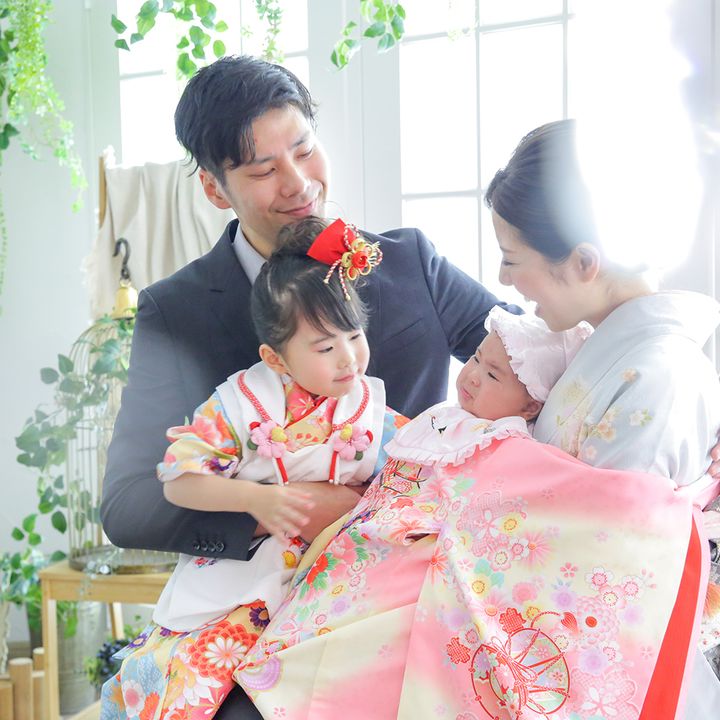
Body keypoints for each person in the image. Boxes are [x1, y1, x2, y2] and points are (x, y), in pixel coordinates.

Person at [232, 120, 720, 719]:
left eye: (512, 259)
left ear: (584, 262)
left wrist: (443, 516)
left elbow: (595, 566)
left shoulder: (658, 376)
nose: (504, 279)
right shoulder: (597, 345)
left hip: (555, 639)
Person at [100, 56, 517, 717]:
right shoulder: (175, 310)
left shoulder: (411, 263)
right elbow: (127, 503)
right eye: (262, 169)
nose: (298, 183)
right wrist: (279, 506)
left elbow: (525, 358)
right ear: (214, 188)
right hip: (259, 613)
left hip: (417, 594)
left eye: (303, 149)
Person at [101, 216, 409, 719]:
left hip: (338, 578)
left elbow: (415, 477)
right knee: (197, 685)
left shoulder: (372, 409)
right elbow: (180, 479)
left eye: (354, 335)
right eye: (325, 347)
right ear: (276, 358)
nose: (349, 359)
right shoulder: (240, 405)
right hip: (247, 576)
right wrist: (255, 500)